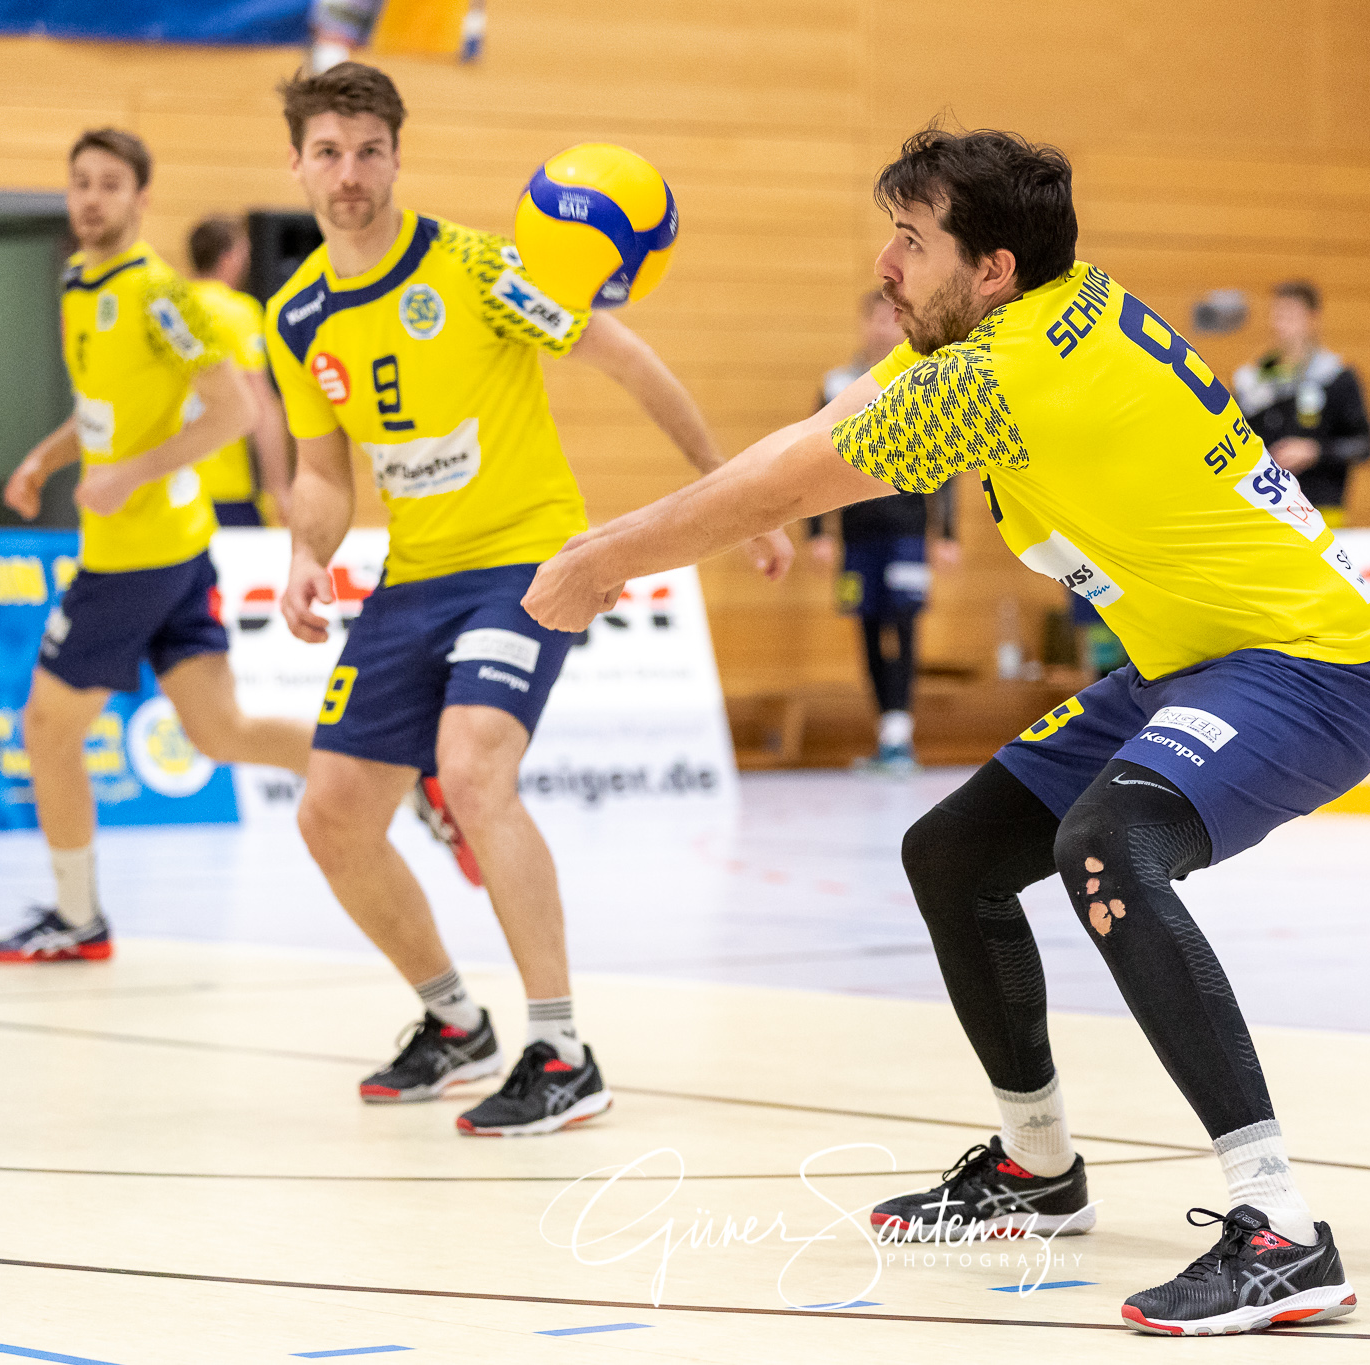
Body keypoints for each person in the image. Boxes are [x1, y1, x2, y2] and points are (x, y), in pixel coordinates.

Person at [524, 128, 1370, 1335]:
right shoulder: (1046, 309)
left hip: (1308, 669)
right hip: (1187, 663)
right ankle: (1035, 1169)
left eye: (909, 240)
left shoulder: (999, 375)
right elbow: (810, 437)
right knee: (953, 855)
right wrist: (634, 538)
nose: (884, 262)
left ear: (989, 267)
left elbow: (788, 485)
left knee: (1107, 846)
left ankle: (1281, 1231)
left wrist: (596, 560)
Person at [267, 63, 794, 1136]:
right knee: (331, 814)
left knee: (470, 771)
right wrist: (303, 552)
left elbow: (630, 363)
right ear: (298, 164)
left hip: (525, 563)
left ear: (397, 157)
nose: (350, 172)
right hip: (411, 576)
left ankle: (559, 1049)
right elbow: (323, 471)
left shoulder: (476, 268)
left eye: (369, 150)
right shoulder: (294, 315)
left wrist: (739, 500)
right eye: (328, 151)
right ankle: (451, 1021)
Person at [0, 129, 316, 963]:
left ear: (142, 199)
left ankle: (77, 918)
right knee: (222, 731)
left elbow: (233, 412)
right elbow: (107, 413)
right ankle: (398, 762)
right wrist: (46, 459)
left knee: (47, 728)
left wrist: (129, 476)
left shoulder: (161, 297)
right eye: (80, 183)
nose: (91, 198)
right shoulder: (76, 280)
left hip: (137, 553)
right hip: (172, 548)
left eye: (110, 184)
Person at [806, 290, 959, 771]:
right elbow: (810, 457)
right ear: (865, 323)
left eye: (893, 319)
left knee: (906, 622)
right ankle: (886, 734)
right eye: (876, 318)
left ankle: (900, 734)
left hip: (908, 531)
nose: (885, 328)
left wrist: (948, 533)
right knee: (868, 627)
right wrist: (817, 532)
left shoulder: (926, 378)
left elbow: (950, 456)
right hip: (857, 533)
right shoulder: (836, 385)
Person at [1232, 280, 1370, 525]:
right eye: (1277, 314)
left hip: (1322, 513)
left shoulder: (1336, 377)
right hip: (1267, 515)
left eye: (1290, 315)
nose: (1280, 324)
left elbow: (1364, 445)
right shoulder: (1251, 380)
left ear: (1313, 318)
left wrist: (1315, 451)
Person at [186, 216, 294, 527]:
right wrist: (279, 489)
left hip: (171, 488)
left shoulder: (170, 306)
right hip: (226, 492)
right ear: (230, 257)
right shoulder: (237, 313)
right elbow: (261, 405)